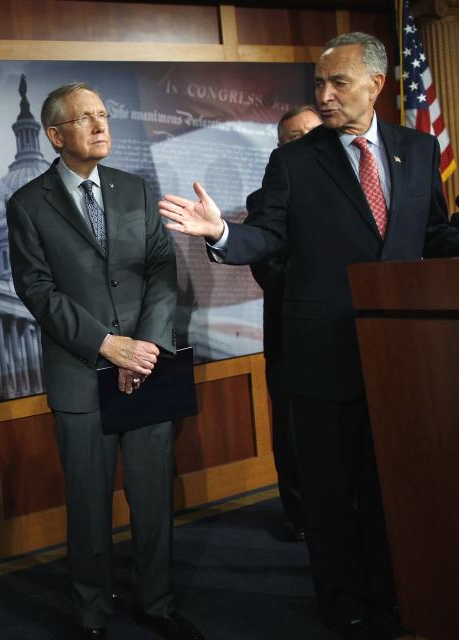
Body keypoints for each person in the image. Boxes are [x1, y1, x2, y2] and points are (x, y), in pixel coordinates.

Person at [158, 33, 459, 640]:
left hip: (400, 358)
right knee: (328, 491)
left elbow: (432, 240)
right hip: (322, 357)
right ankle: (342, 597)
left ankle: (391, 592)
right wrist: (220, 233)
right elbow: (265, 236)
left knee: (389, 486)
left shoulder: (419, 150)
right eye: (317, 84)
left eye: (337, 83)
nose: (323, 95)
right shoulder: (295, 159)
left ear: (376, 85)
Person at [7, 83, 203, 640]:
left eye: (103, 115)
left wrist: (144, 348)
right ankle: (92, 614)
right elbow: (39, 292)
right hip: (80, 374)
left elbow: (163, 271)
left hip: (149, 366)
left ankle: (156, 603)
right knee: (88, 507)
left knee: (153, 497)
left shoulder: (135, 190)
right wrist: (106, 345)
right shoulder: (26, 204)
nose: (100, 125)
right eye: (85, 118)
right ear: (54, 135)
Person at [250, 104, 322, 543]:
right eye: (295, 138)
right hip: (292, 336)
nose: (308, 142)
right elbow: (268, 270)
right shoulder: (265, 202)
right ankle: (298, 514)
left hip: (350, 335)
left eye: (314, 132)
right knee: (294, 432)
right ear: (280, 150)